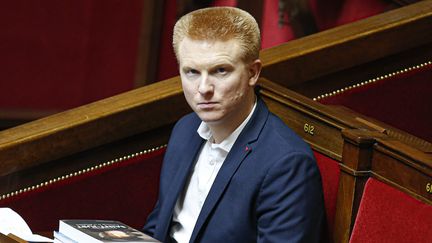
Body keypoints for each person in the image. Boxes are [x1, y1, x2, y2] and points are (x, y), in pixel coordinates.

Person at [143, 6, 326, 243]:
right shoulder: (184, 130)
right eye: (192, 72)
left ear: (252, 73)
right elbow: (159, 227)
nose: (204, 88)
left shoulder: (287, 164)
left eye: (220, 71)